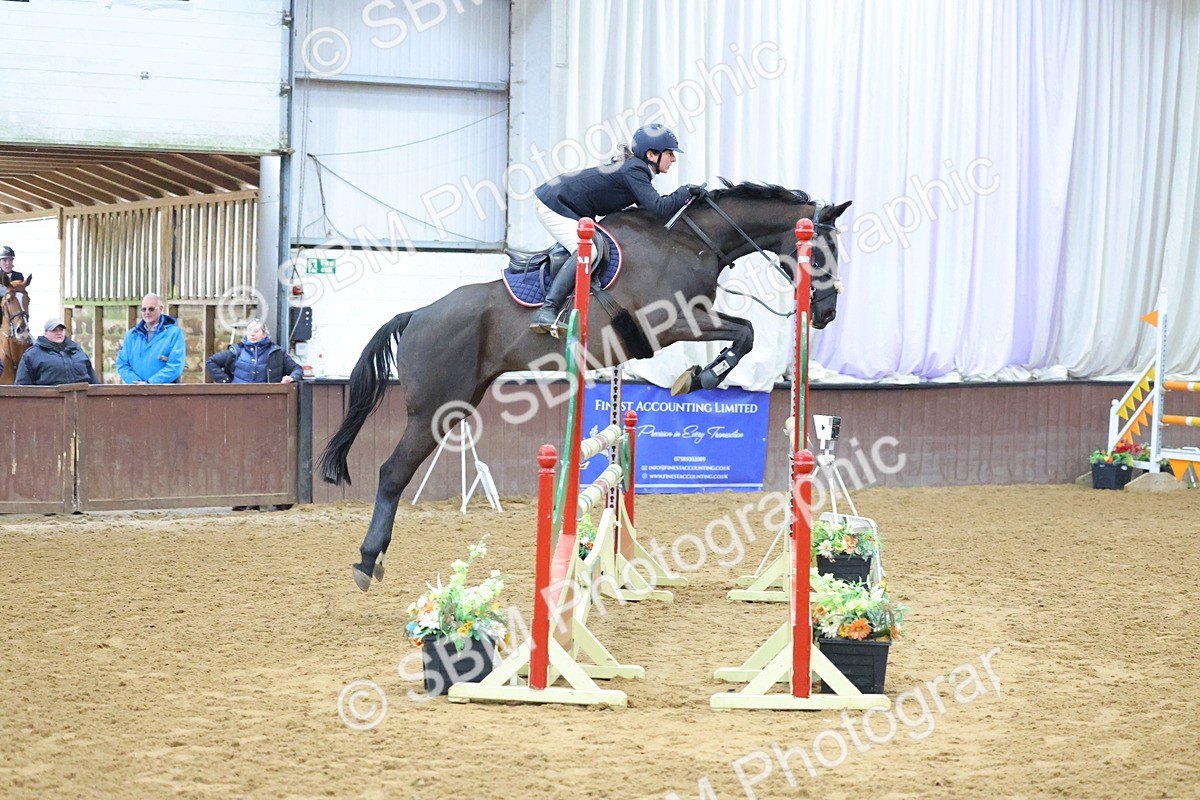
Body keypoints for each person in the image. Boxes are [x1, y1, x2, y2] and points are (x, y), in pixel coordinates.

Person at [529, 122, 704, 333]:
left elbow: (650, 211)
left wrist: (688, 200)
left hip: (567, 206)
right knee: (589, 251)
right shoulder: (635, 170)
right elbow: (659, 207)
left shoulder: (637, 170)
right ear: (651, 154)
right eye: (669, 153)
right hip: (554, 204)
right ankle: (547, 310)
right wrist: (685, 191)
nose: (674, 159)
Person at [205, 318, 302, 385]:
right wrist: (226, 383)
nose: (252, 333)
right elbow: (211, 362)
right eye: (249, 330)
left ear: (264, 334)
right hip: (238, 396)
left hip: (267, 397)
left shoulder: (276, 353)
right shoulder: (237, 351)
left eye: (256, 331)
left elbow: (297, 369)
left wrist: (291, 378)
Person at [115, 293, 186, 384]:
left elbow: (176, 365)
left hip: (165, 393)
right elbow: (122, 364)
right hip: (135, 392)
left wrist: (151, 383)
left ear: (161, 309)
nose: (147, 312)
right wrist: (136, 382)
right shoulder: (131, 335)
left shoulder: (174, 334)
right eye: (144, 309)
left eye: (151, 309)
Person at [15, 318, 99, 386]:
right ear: (45, 333)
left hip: (81, 401)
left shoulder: (78, 351)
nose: (59, 333)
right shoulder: (31, 355)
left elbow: (94, 381)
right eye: (54, 330)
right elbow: (22, 387)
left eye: (61, 330)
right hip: (48, 403)